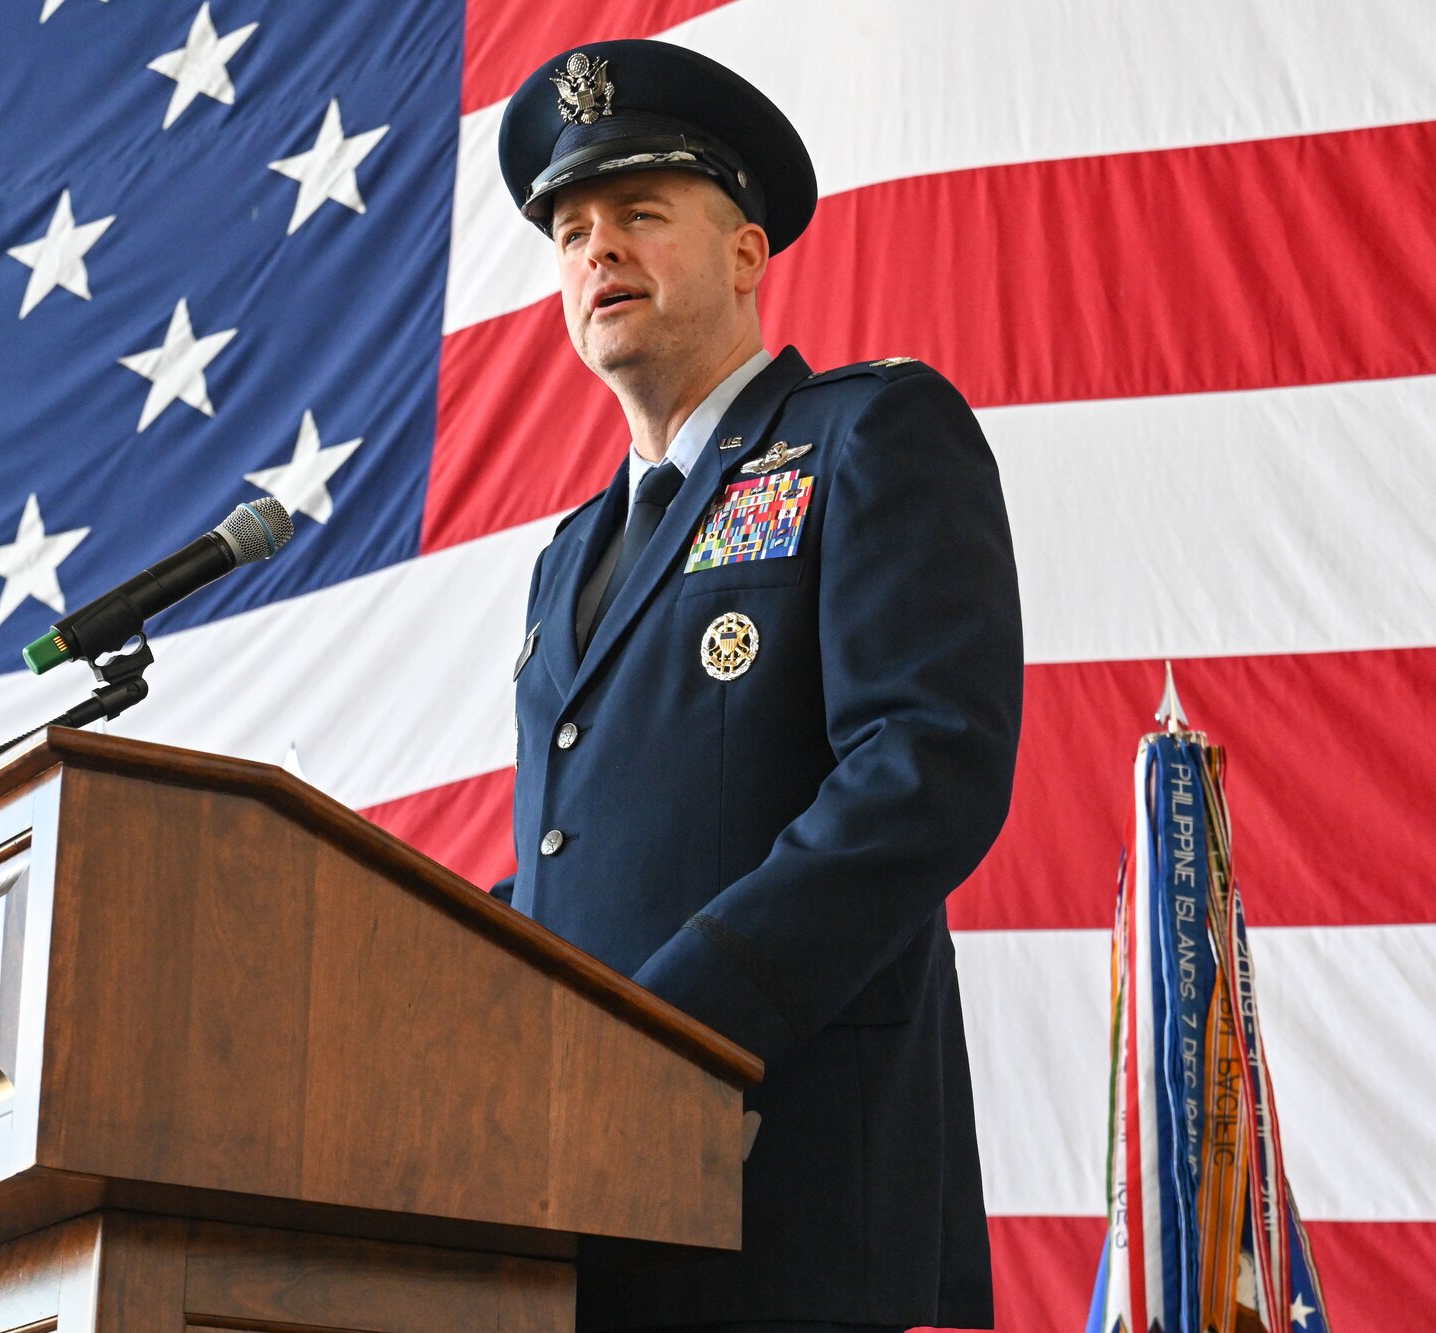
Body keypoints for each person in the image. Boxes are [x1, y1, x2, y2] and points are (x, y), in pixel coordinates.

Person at [489, 38, 1024, 1333]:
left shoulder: (867, 435)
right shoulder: (570, 556)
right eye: (570, 231)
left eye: (639, 215)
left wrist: (676, 1026)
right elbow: (570, 856)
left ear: (745, 253)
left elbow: (922, 770)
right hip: (577, 1200)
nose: (596, 250)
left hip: (777, 1184)